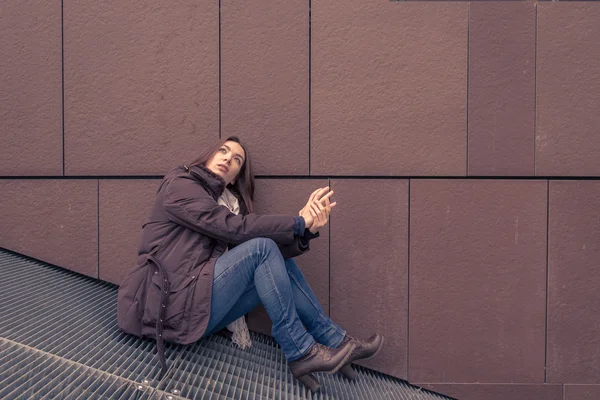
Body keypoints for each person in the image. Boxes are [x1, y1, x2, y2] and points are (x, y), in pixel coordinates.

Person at [117, 136, 383, 392]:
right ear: (208, 155)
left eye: (236, 160)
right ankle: (301, 351)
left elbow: (252, 241)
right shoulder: (181, 185)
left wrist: (307, 229)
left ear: (234, 179)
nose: (227, 159)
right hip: (167, 306)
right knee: (261, 249)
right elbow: (233, 228)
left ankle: (336, 342)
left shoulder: (227, 204)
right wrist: (297, 222)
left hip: (196, 306)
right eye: (223, 151)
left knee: (274, 256)